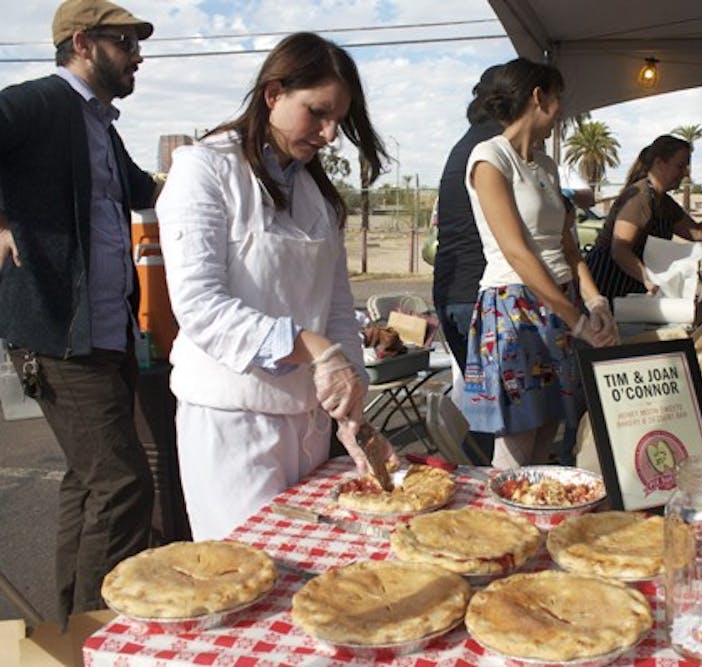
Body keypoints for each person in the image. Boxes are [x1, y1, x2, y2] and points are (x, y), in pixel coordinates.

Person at [156, 32, 397, 540]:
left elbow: (334, 307)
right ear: (273, 94)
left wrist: (351, 393)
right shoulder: (205, 170)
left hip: (305, 426)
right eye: (318, 113)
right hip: (233, 424)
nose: (330, 134)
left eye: (338, 120)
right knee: (249, 571)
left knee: (310, 571)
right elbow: (201, 305)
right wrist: (314, 349)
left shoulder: (316, 196)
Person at [0, 0, 156, 625]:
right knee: (122, 488)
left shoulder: (100, 126)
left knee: (88, 482)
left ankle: (69, 631)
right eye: (126, 42)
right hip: (59, 335)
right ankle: (101, 634)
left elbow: (147, 191)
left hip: (105, 332)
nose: (139, 55)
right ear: (85, 43)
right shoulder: (41, 102)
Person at [461, 57, 618, 469]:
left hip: (559, 305)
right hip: (516, 307)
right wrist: (577, 321)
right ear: (538, 97)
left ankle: (537, 526)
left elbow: (568, 247)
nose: (561, 108)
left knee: (550, 428)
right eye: (558, 97)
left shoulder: (546, 166)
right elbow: (517, 252)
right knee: (518, 441)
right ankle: (503, 529)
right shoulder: (489, 158)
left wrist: (595, 301)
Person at [585, 135, 702, 302]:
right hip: (607, 284)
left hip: (632, 285)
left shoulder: (664, 202)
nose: (685, 174)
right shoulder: (639, 197)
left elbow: (698, 232)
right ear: (659, 163)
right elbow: (620, 249)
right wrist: (649, 280)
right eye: (680, 166)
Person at [433, 65, 503, 464]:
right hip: (478, 297)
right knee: (494, 417)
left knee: (483, 408)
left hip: (455, 293)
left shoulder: (467, 145)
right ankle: (486, 501)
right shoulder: (493, 150)